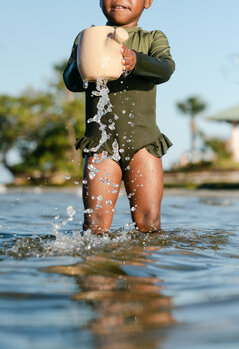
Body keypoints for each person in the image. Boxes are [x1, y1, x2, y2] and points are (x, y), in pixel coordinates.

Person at [63, 0, 175, 233]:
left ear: (147, 2)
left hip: (143, 144)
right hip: (100, 144)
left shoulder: (153, 38)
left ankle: (143, 267)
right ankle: (98, 267)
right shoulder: (88, 36)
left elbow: (165, 69)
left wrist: (137, 60)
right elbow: (72, 82)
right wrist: (77, 61)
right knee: (95, 225)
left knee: (149, 224)